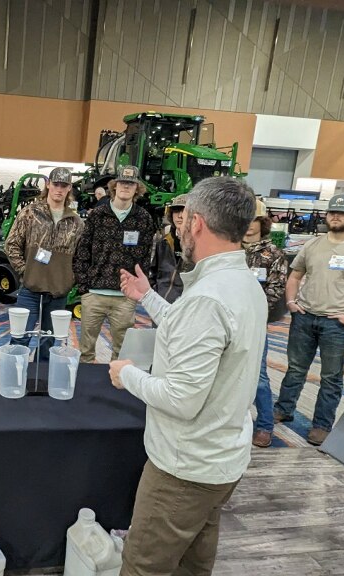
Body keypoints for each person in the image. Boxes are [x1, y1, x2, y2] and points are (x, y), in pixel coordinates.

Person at [108, 177, 266, 576]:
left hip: (183, 472)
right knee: (193, 565)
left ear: (195, 222)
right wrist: (147, 296)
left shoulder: (208, 298)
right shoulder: (242, 285)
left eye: (182, 221)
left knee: (144, 565)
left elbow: (181, 398)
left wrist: (127, 375)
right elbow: (190, 327)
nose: (178, 228)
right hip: (221, 462)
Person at [273, 192, 344, 446]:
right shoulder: (313, 245)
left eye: (342, 213)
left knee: (331, 377)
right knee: (295, 369)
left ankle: (321, 425)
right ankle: (284, 409)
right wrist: (291, 303)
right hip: (304, 317)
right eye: (332, 212)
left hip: (337, 324)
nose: (335, 217)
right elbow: (295, 276)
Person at [73, 166, 155, 363]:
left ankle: (115, 389)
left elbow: (145, 258)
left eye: (131, 183)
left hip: (125, 298)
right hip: (94, 294)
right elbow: (82, 251)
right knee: (86, 352)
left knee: (122, 352)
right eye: (122, 183)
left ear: (137, 189)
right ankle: (85, 388)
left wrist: (136, 291)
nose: (126, 186)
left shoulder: (143, 219)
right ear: (114, 186)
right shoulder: (98, 215)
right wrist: (84, 287)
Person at [3, 167, 84, 361]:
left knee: (49, 341)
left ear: (69, 188)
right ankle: (15, 379)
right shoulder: (30, 213)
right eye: (55, 184)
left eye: (63, 186)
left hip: (58, 293)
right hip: (30, 290)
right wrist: (25, 271)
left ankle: (43, 382)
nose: (59, 189)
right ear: (48, 184)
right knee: (20, 337)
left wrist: (69, 280)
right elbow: (11, 244)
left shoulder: (76, 222)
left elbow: (81, 257)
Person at [244, 200, 289, 448]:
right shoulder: (231, 250)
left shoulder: (274, 254)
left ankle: (264, 426)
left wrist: (254, 313)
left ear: (262, 223)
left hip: (254, 324)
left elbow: (276, 290)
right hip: (226, 321)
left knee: (259, 376)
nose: (249, 226)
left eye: (254, 220)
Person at [148, 201, 180, 304]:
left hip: (187, 307)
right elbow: (154, 271)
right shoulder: (164, 241)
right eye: (176, 211)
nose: (180, 216)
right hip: (161, 302)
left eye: (184, 211)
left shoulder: (200, 243)